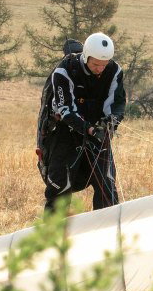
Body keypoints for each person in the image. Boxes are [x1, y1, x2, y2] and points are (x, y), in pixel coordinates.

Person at [37, 32, 126, 213]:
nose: (100, 69)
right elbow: (66, 110)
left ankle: (107, 231)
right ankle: (53, 236)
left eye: (104, 64)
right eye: (95, 64)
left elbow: (117, 103)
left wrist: (110, 123)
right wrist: (90, 130)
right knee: (60, 186)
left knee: (106, 184)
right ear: (86, 56)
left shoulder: (114, 71)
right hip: (64, 131)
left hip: (97, 130)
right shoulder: (64, 71)